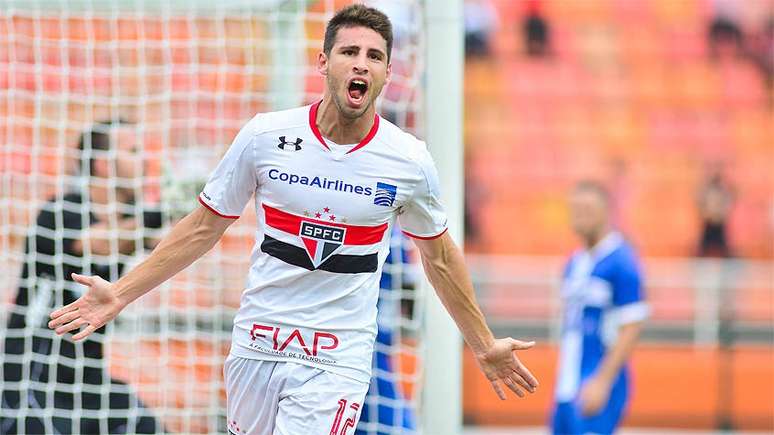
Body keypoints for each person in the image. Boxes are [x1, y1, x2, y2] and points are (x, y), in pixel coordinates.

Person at [48, 5, 539, 434]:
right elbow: (202, 228)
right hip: (259, 343)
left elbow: (441, 258)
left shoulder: (408, 160)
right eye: (350, 52)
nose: (361, 64)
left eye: (374, 56)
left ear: (388, 74)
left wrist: (483, 343)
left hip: (337, 356)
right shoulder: (266, 136)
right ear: (324, 62)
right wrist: (121, 293)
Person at [1, 120, 164, 434]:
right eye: (133, 151)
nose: (145, 160)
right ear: (103, 164)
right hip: (33, 373)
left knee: (144, 425)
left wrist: (196, 212)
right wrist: (163, 211)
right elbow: (99, 243)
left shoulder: (130, 217)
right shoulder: (62, 210)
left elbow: (170, 244)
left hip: (87, 376)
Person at [551, 181, 648, 435]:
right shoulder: (574, 262)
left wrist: (602, 381)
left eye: (587, 210)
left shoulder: (622, 261)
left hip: (596, 381)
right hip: (567, 383)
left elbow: (631, 326)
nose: (579, 217)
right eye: (575, 210)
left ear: (605, 212)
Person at [356, 229, 417, 435]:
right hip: (373, 337)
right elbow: (410, 288)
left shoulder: (389, 235)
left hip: (367, 338)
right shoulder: (396, 237)